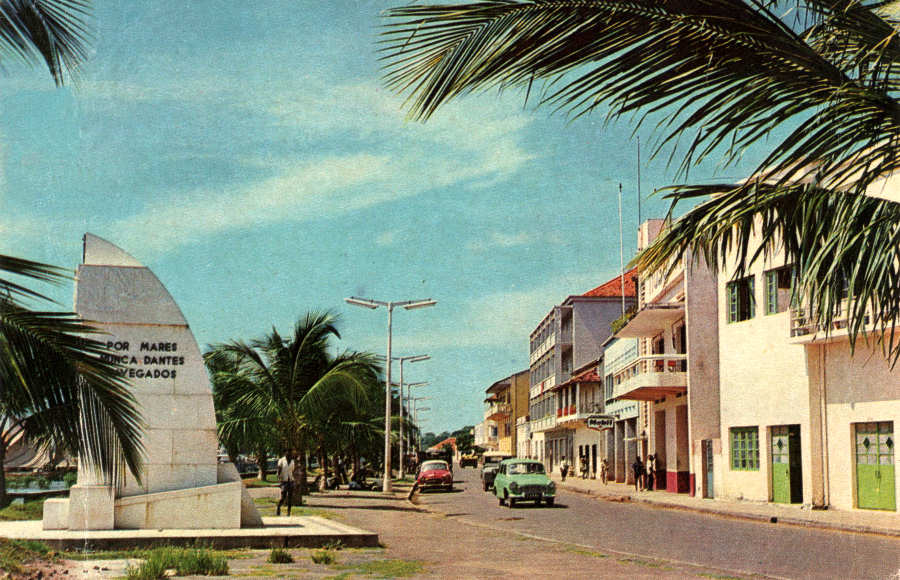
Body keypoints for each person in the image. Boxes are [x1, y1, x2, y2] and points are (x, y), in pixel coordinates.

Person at [276, 450, 295, 516]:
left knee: (290, 497)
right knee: (283, 497)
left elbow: (292, 470)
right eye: (287, 453)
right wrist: (279, 479)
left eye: (290, 453)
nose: (289, 454)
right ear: (285, 453)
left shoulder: (292, 461)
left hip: (290, 480)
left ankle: (288, 512)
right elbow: (279, 470)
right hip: (284, 481)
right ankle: (278, 507)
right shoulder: (281, 460)